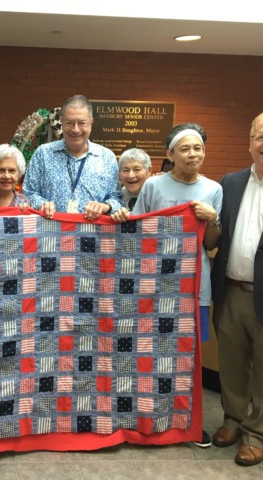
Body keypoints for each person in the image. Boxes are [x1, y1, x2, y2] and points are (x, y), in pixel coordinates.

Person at [112, 123, 222, 449]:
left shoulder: (213, 189)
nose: (193, 154)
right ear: (171, 154)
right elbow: (135, 231)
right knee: (146, 351)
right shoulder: (154, 186)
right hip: (151, 286)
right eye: (185, 149)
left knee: (186, 357)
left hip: (192, 287)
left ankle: (188, 423)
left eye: (198, 148)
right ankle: (145, 417)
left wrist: (212, 219)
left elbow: (213, 242)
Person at [210, 112, 263, 466]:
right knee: (231, 364)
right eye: (260, 136)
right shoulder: (229, 182)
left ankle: (257, 433)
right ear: (249, 142)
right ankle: (232, 419)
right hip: (230, 290)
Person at [23, 94, 123, 220]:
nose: (75, 130)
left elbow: (117, 199)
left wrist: (105, 206)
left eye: (82, 123)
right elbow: (28, 194)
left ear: (91, 123)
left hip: (92, 235)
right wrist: (42, 204)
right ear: (61, 121)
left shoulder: (107, 157)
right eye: (69, 123)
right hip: (51, 235)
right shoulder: (42, 154)